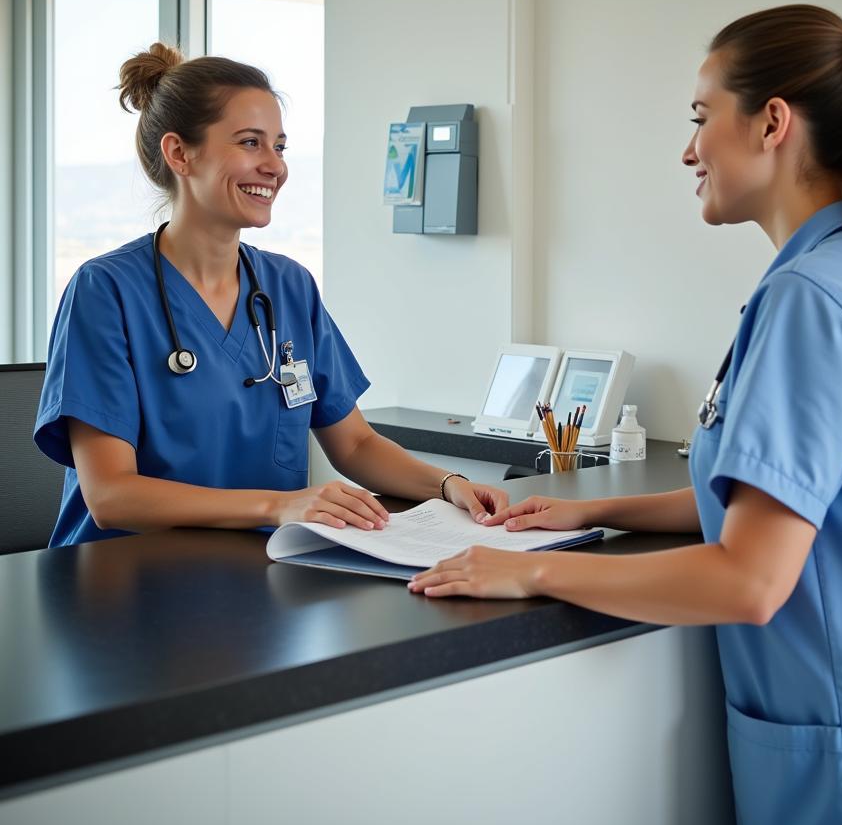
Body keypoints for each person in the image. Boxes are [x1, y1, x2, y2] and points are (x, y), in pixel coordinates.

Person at [408, 6, 842, 825]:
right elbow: (789, 498)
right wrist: (592, 509)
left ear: (772, 122)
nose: (689, 150)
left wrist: (533, 570)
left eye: (701, 119)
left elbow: (751, 578)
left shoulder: (811, 300)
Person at [35, 43, 507, 546]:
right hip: (122, 582)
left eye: (279, 147)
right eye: (249, 143)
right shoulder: (105, 290)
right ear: (179, 153)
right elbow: (111, 497)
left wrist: (448, 485)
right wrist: (280, 505)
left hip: (258, 570)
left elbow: (355, 443)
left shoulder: (288, 286)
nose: (274, 166)